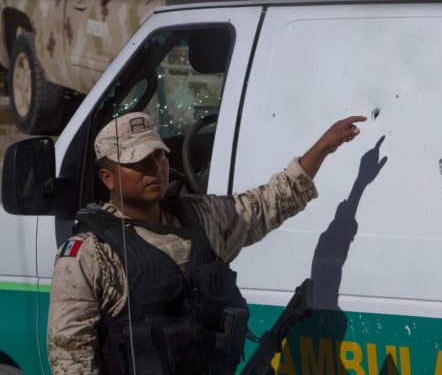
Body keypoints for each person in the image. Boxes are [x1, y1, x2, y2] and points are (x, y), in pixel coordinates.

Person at [47, 111, 367, 375]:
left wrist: (324, 146)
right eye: (137, 161)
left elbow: (271, 202)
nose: (153, 168)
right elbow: (70, 360)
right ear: (108, 178)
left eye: (158, 155)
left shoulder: (201, 218)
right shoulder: (88, 254)